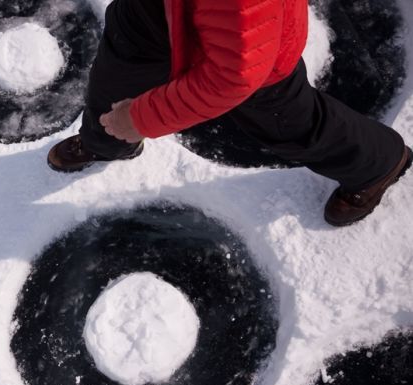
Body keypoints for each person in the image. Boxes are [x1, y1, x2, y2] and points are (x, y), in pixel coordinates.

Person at [46, 0, 411, 227]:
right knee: (115, 75)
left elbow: (233, 77)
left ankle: (378, 163)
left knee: (288, 120)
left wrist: (141, 118)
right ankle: (106, 143)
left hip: (253, 48)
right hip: (156, 12)